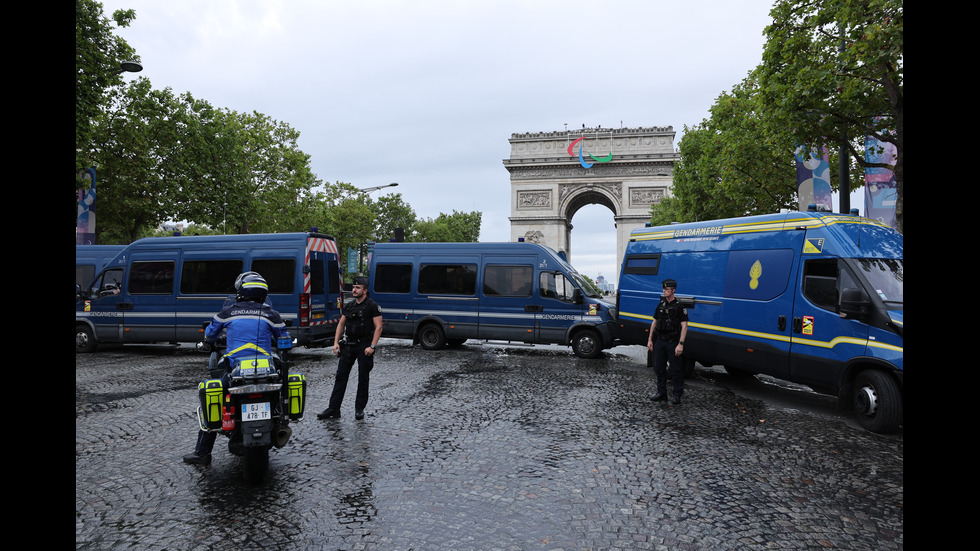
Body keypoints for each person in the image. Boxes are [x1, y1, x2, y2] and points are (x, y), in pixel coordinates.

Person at [182, 272, 289, 465]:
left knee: (213, 397)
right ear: (263, 293)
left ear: (240, 291)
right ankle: (280, 419)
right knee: (281, 392)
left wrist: (209, 340)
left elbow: (210, 335)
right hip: (265, 370)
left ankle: (202, 453)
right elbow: (284, 339)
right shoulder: (272, 314)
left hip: (235, 369)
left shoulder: (227, 312)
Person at [317, 276, 383, 421]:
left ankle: (359, 409)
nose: (354, 290)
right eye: (353, 287)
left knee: (363, 378)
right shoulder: (349, 306)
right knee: (340, 377)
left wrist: (372, 346)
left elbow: (378, 327)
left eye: (358, 287)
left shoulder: (372, 306)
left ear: (365, 290)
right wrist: (335, 343)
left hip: (364, 345)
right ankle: (334, 408)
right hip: (349, 344)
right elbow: (341, 325)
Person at [647, 278, 689, 405]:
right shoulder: (661, 305)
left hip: (673, 342)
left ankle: (677, 395)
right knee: (659, 368)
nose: (664, 291)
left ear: (673, 290)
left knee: (676, 370)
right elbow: (654, 322)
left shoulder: (679, 307)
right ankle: (661, 393)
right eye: (663, 289)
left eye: (666, 289)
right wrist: (650, 339)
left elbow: (684, 326)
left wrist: (680, 344)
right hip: (660, 341)